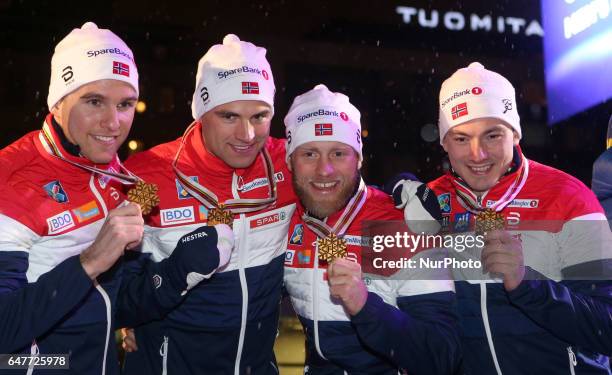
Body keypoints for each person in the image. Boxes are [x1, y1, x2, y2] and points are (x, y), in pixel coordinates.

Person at [0, 22, 233, 375]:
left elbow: (115, 305)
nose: (114, 122)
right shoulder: (10, 177)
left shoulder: (115, 176)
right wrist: (89, 262)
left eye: (126, 104)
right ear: (59, 101)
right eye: (94, 102)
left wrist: (177, 272)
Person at [393, 62, 612, 374]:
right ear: (444, 142)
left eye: (492, 135)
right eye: (460, 138)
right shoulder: (426, 207)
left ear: (515, 133)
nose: (477, 154)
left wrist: (527, 284)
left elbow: (606, 327)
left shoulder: (568, 198)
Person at [121, 34, 296, 375]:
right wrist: (173, 276)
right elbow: (116, 301)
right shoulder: (145, 177)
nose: (247, 134)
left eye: (260, 116)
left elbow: (348, 194)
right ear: (201, 113)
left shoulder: (289, 165)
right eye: (229, 116)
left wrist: (402, 199)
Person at [283, 84, 461, 374]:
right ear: (290, 161)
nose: (324, 170)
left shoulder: (402, 226)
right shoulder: (285, 222)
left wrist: (366, 306)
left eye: (339, 153)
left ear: (360, 158)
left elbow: (442, 356)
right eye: (310, 154)